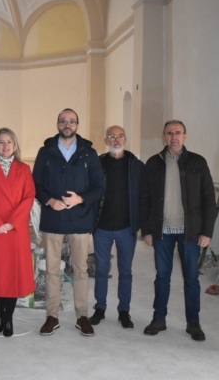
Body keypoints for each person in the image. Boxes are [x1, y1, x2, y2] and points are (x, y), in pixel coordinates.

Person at [140, 120, 217, 341]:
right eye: (169, 133)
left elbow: (208, 199)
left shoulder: (197, 162)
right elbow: (144, 198)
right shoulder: (153, 163)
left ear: (185, 136)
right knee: (162, 276)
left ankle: (193, 323)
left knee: (191, 278)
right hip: (162, 230)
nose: (174, 137)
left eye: (178, 133)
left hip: (190, 231)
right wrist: (147, 229)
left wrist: (207, 231)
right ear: (164, 136)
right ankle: (159, 319)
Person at [33, 108, 105, 336]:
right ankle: (52, 316)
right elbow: (36, 185)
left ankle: (82, 315)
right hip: (53, 219)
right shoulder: (45, 152)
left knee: (81, 270)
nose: (67, 125)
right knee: (52, 270)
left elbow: (99, 187)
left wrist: (81, 199)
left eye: (71, 121)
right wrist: (49, 200)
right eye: (63, 121)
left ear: (77, 125)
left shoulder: (89, 153)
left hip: (80, 219)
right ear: (57, 124)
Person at [0, 128, 36, 337]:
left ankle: (8, 318)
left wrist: (12, 222)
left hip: (15, 231)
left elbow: (29, 197)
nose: (5, 146)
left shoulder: (24, 169)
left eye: (9, 142)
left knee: (12, 276)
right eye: (1, 142)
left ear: (15, 145)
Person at [89, 126, 144, 329]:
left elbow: (145, 196)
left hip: (126, 228)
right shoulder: (97, 164)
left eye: (120, 136)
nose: (116, 140)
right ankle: (100, 309)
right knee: (102, 270)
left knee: (126, 271)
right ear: (106, 141)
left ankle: (124, 312)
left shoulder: (136, 166)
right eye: (112, 137)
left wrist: (142, 225)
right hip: (102, 227)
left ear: (126, 139)